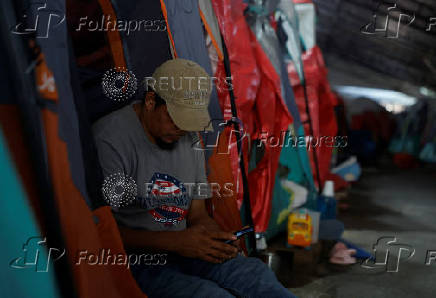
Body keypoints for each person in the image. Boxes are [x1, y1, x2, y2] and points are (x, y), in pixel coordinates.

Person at [93, 58, 295, 298]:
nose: (182, 131)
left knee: (254, 275)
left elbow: (197, 214)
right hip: (134, 260)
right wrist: (176, 241)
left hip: (184, 249)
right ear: (150, 102)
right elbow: (102, 232)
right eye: (176, 120)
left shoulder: (189, 138)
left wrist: (215, 241)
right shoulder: (111, 139)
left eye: (189, 124)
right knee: (209, 296)